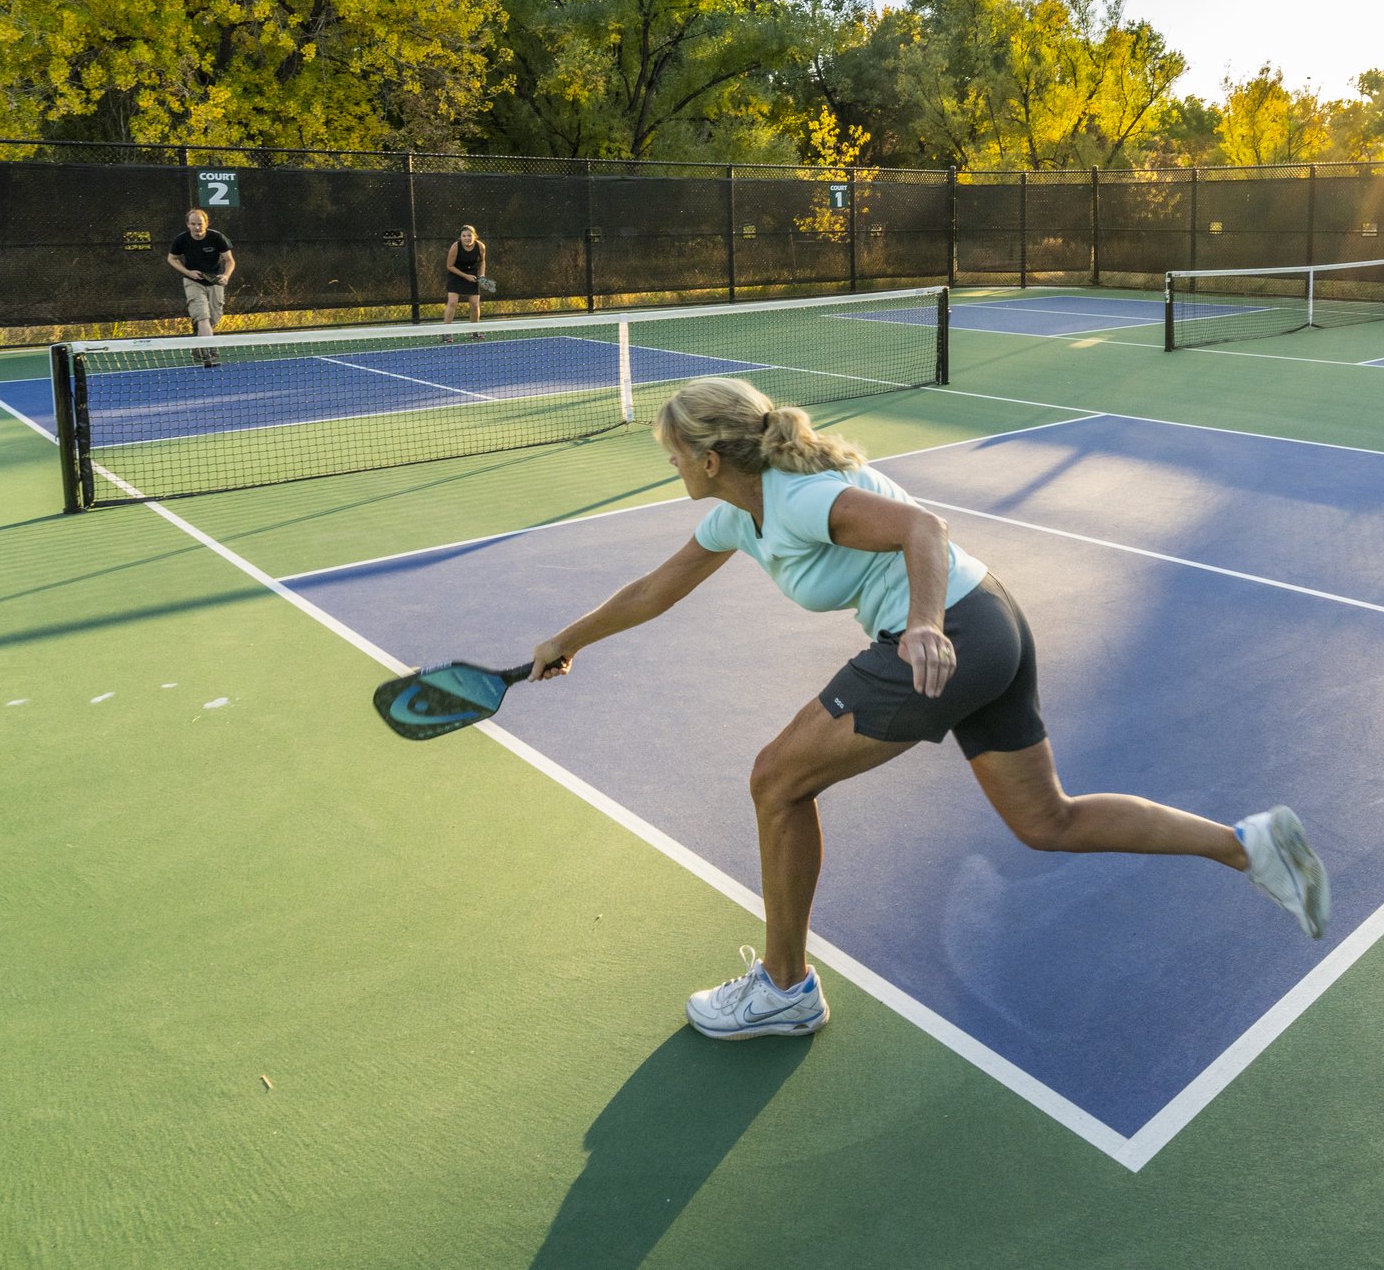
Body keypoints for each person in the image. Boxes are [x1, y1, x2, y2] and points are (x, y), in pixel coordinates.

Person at [527, 376, 1332, 1041]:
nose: (671, 465)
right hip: (990, 619)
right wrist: (568, 638)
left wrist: (919, 624)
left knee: (776, 781)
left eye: (672, 454)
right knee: (1046, 819)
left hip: (947, 632)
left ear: (707, 457)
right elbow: (654, 589)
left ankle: (784, 986)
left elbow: (924, 527)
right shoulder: (739, 513)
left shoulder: (800, 496)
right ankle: (1245, 844)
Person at [164, 208, 235, 367]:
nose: (197, 227)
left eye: (200, 224)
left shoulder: (217, 237)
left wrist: (225, 276)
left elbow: (230, 260)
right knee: (202, 317)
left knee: (213, 318)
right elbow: (171, 259)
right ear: (188, 225)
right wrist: (188, 272)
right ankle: (210, 353)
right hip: (193, 282)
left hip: (215, 280)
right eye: (193, 224)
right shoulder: (181, 240)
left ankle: (199, 343)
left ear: (206, 223)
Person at [441, 224, 487, 327]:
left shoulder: (480, 246)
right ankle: (446, 332)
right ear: (460, 237)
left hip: (472, 275)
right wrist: (466, 276)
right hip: (456, 275)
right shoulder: (455, 247)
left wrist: (482, 276)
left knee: (475, 304)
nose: (467, 238)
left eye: (469, 235)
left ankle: (474, 331)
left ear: (474, 236)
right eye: (464, 236)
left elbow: (482, 262)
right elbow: (449, 266)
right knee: (452, 302)